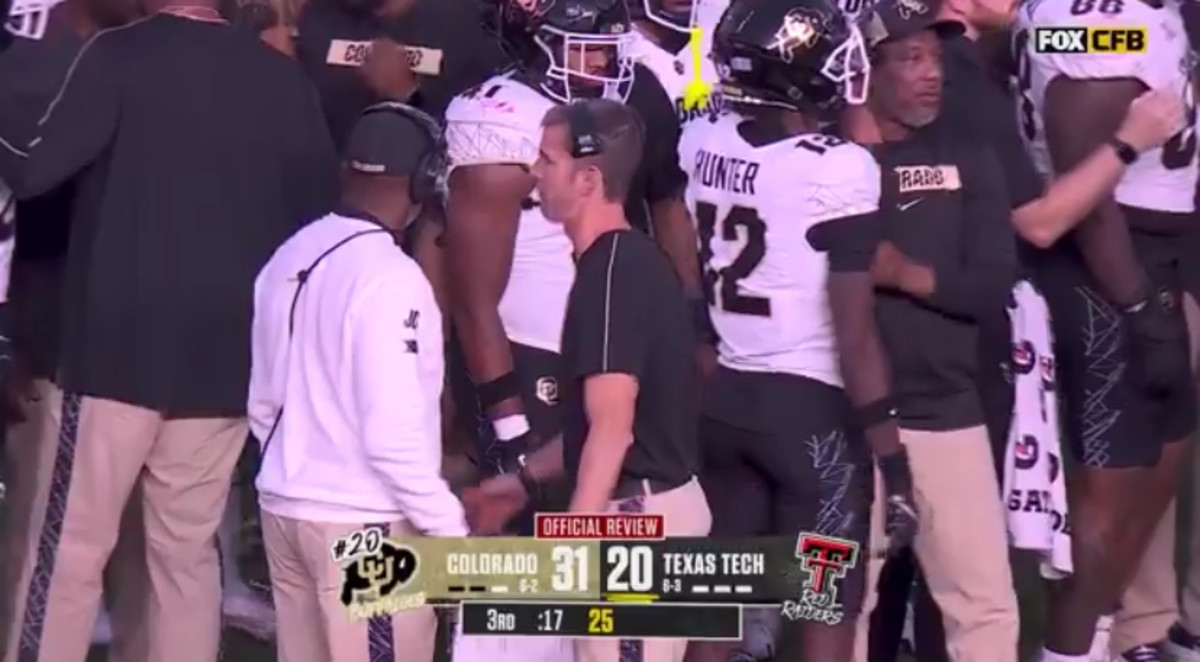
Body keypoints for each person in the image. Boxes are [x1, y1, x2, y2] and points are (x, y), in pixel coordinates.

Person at [0, 0, 339, 658]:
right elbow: (316, 226)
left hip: (112, 355)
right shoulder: (282, 81)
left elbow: (32, 164)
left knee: (65, 555)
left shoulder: (121, 56)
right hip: (226, 361)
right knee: (182, 561)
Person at [681, 1, 917, 661]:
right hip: (809, 415)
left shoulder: (704, 142)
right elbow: (855, 331)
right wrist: (893, 461)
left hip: (726, 401)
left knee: (719, 603)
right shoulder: (837, 168)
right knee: (823, 606)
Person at [462, 95, 710, 662]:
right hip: (634, 512)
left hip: (634, 525)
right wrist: (523, 481)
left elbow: (613, 429)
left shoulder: (612, 275)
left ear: (588, 178)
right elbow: (592, 425)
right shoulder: (615, 263)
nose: (534, 173)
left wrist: (573, 539)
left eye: (548, 160)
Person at [442, 0, 700, 512]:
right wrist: (510, 426)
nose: (605, 66)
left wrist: (692, 320)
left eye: (609, 49)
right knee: (536, 525)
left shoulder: (636, 94)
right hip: (529, 350)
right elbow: (472, 298)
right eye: (587, 50)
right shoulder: (503, 120)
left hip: (612, 341)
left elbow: (667, 204)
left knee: (620, 491)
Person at [1012, 0, 1198, 661]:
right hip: (1113, 265)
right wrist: (1143, 309)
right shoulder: (1101, 22)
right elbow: (1084, 189)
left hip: (1155, 251)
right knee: (1106, 507)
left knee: (1150, 481)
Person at [249, 102, 465, 662]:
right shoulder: (392, 277)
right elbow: (392, 439)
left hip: (285, 508)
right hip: (365, 528)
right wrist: (450, 536)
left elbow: (262, 404)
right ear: (424, 180)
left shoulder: (288, 253)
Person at [847, 3, 1025, 661]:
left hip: (946, 415)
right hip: (843, 428)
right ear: (864, 68)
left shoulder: (970, 154)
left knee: (986, 609)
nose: (932, 75)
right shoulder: (822, 160)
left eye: (937, 59)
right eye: (911, 58)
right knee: (826, 604)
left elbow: (991, 285)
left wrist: (902, 272)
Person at [295, 0, 505, 148]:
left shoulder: (462, 24)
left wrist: (407, 95)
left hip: (421, 199)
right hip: (331, 194)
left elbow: (478, 147)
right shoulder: (316, 17)